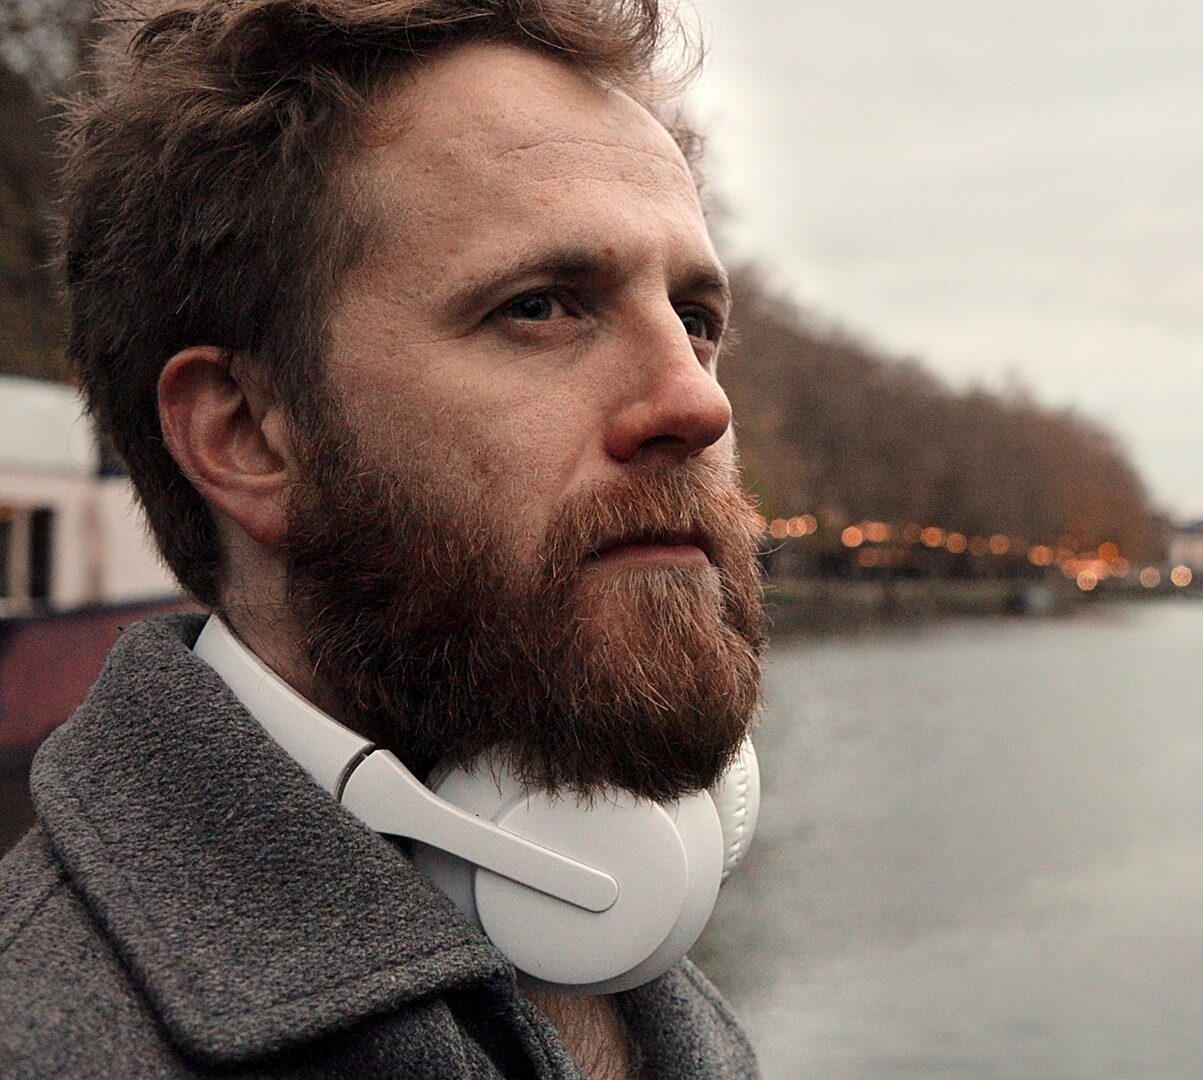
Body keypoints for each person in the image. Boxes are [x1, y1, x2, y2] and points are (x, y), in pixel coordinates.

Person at [0, 0, 768, 1075]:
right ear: (245, 434)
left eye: (694, 320)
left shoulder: (613, 936)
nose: (698, 402)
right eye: (540, 307)